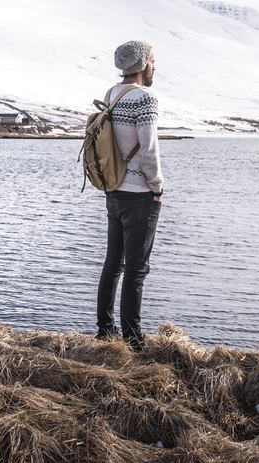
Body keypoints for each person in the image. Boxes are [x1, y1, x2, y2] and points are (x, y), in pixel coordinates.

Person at [96, 40, 164, 350]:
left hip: (114, 190)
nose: (154, 66)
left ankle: (105, 330)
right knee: (137, 269)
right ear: (141, 65)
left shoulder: (112, 94)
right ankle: (134, 340)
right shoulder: (144, 99)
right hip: (139, 195)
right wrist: (157, 185)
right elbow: (148, 150)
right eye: (152, 60)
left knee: (113, 263)